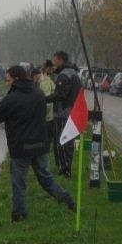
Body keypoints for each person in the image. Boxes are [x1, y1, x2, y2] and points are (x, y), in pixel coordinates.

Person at [0, 64, 75, 222]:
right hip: (40, 145)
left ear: (16, 79)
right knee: (46, 178)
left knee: (19, 183)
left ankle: (19, 215)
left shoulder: (11, 98)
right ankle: (67, 200)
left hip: (21, 148)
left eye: (8, 79)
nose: (6, 82)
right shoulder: (38, 93)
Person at [46, 50, 82, 178]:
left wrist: (44, 99)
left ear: (61, 60)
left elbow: (60, 95)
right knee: (69, 142)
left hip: (63, 113)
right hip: (72, 113)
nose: (53, 63)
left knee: (60, 142)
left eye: (54, 60)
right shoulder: (74, 73)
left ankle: (64, 169)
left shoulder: (63, 75)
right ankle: (66, 168)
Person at [38, 59, 56, 155]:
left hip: (49, 113)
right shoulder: (44, 80)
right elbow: (46, 97)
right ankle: (45, 150)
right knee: (47, 134)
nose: (52, 70)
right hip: (47, 113)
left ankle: (46, 148)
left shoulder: (47, 78)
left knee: (48, 134)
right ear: (47, 68)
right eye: (51, 68)